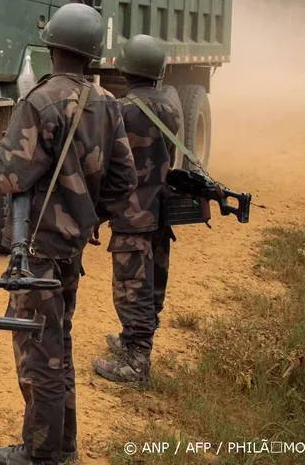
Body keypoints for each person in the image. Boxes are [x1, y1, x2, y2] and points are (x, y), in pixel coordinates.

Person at [0, 3, 139, 465]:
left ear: (51, 45)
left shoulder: (40, 101)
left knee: (39, 351)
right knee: (58, 344)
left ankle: (41, 453)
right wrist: (86, 216)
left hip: (38, 248)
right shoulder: (107, 103)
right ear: (92, 53)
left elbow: (9, 177)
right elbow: (123, 181)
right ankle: (62, 445)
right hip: (70, 247)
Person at [90, 35, 182, 384]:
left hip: (131, 215)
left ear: (125, 70)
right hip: (160, 212)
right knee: (152, 284)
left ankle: (136, 362)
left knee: (132, 288)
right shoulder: (170, 108)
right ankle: (132, 341)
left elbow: (107, 167)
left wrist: (97, 212)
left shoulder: (121, 110)